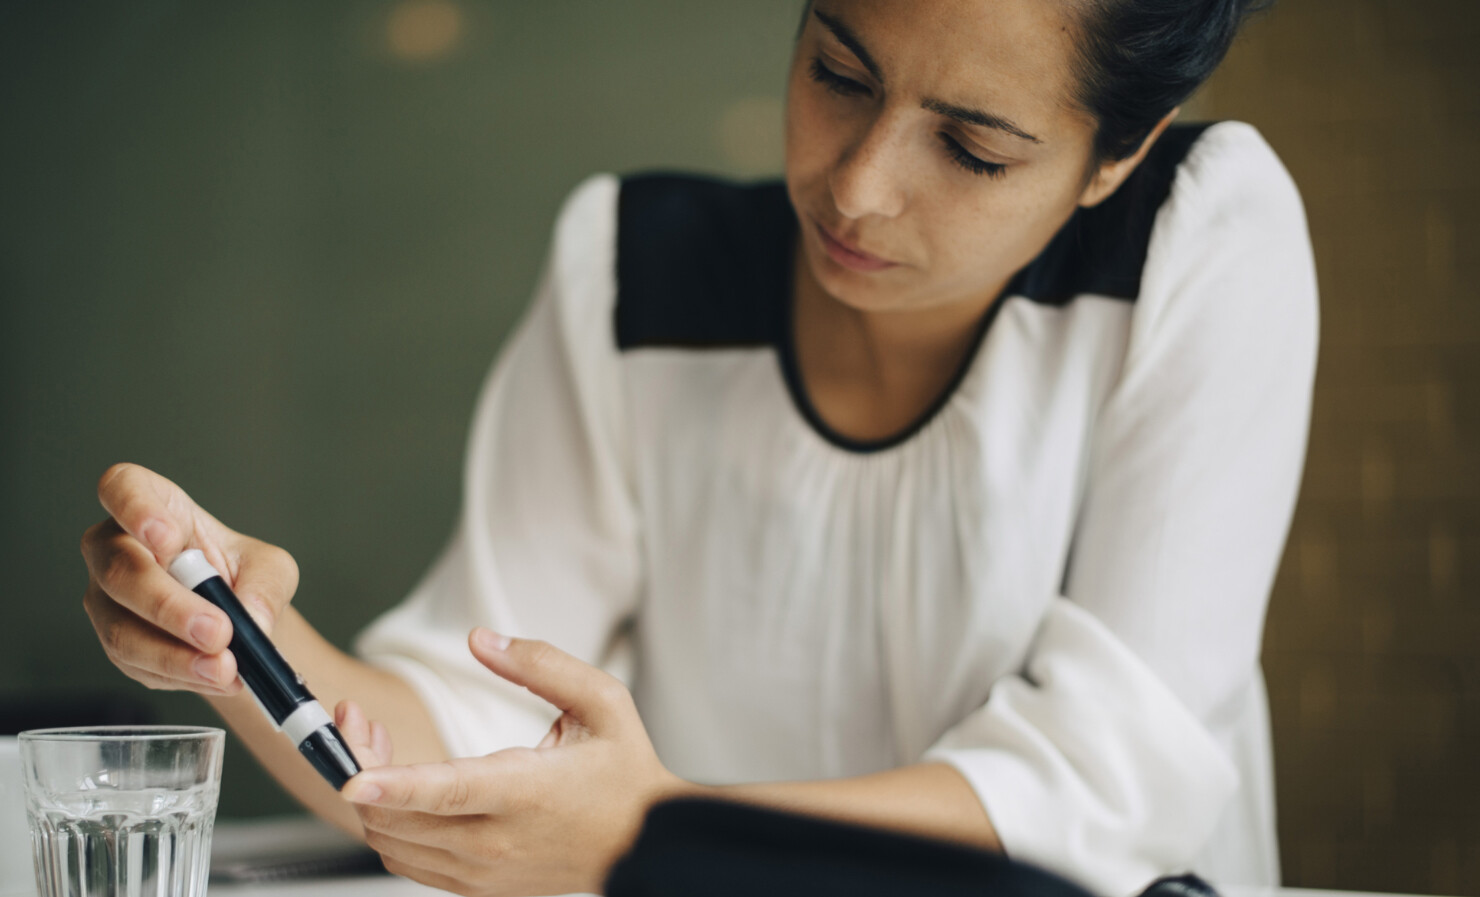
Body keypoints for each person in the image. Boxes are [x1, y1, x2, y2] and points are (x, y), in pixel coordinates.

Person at [79, 0, 1315, 895]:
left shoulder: (1200, 240)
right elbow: (474, 733)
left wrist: (654, 834)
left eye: (973, 148)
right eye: (837, 71)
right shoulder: (630, 272)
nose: (858, 188)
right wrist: (238, 641)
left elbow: (1105, 778)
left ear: (1121, 152)